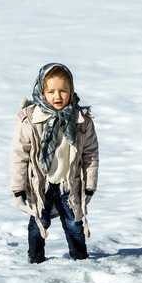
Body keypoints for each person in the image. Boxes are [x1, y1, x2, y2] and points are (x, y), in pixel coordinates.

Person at [10, 63, 99, 263]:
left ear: (71, 91)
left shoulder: (81, 120)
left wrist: (90, 186)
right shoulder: (30, 120)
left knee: (74, 224)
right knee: (39, 222)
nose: (57, 96)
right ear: (41, 91)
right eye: (51, 91)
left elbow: (90, 154)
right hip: (40, 184)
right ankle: (36, 258)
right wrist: (18, 187)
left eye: (63, 91)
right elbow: (19, 154)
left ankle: (80, 258)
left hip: (69, 183)